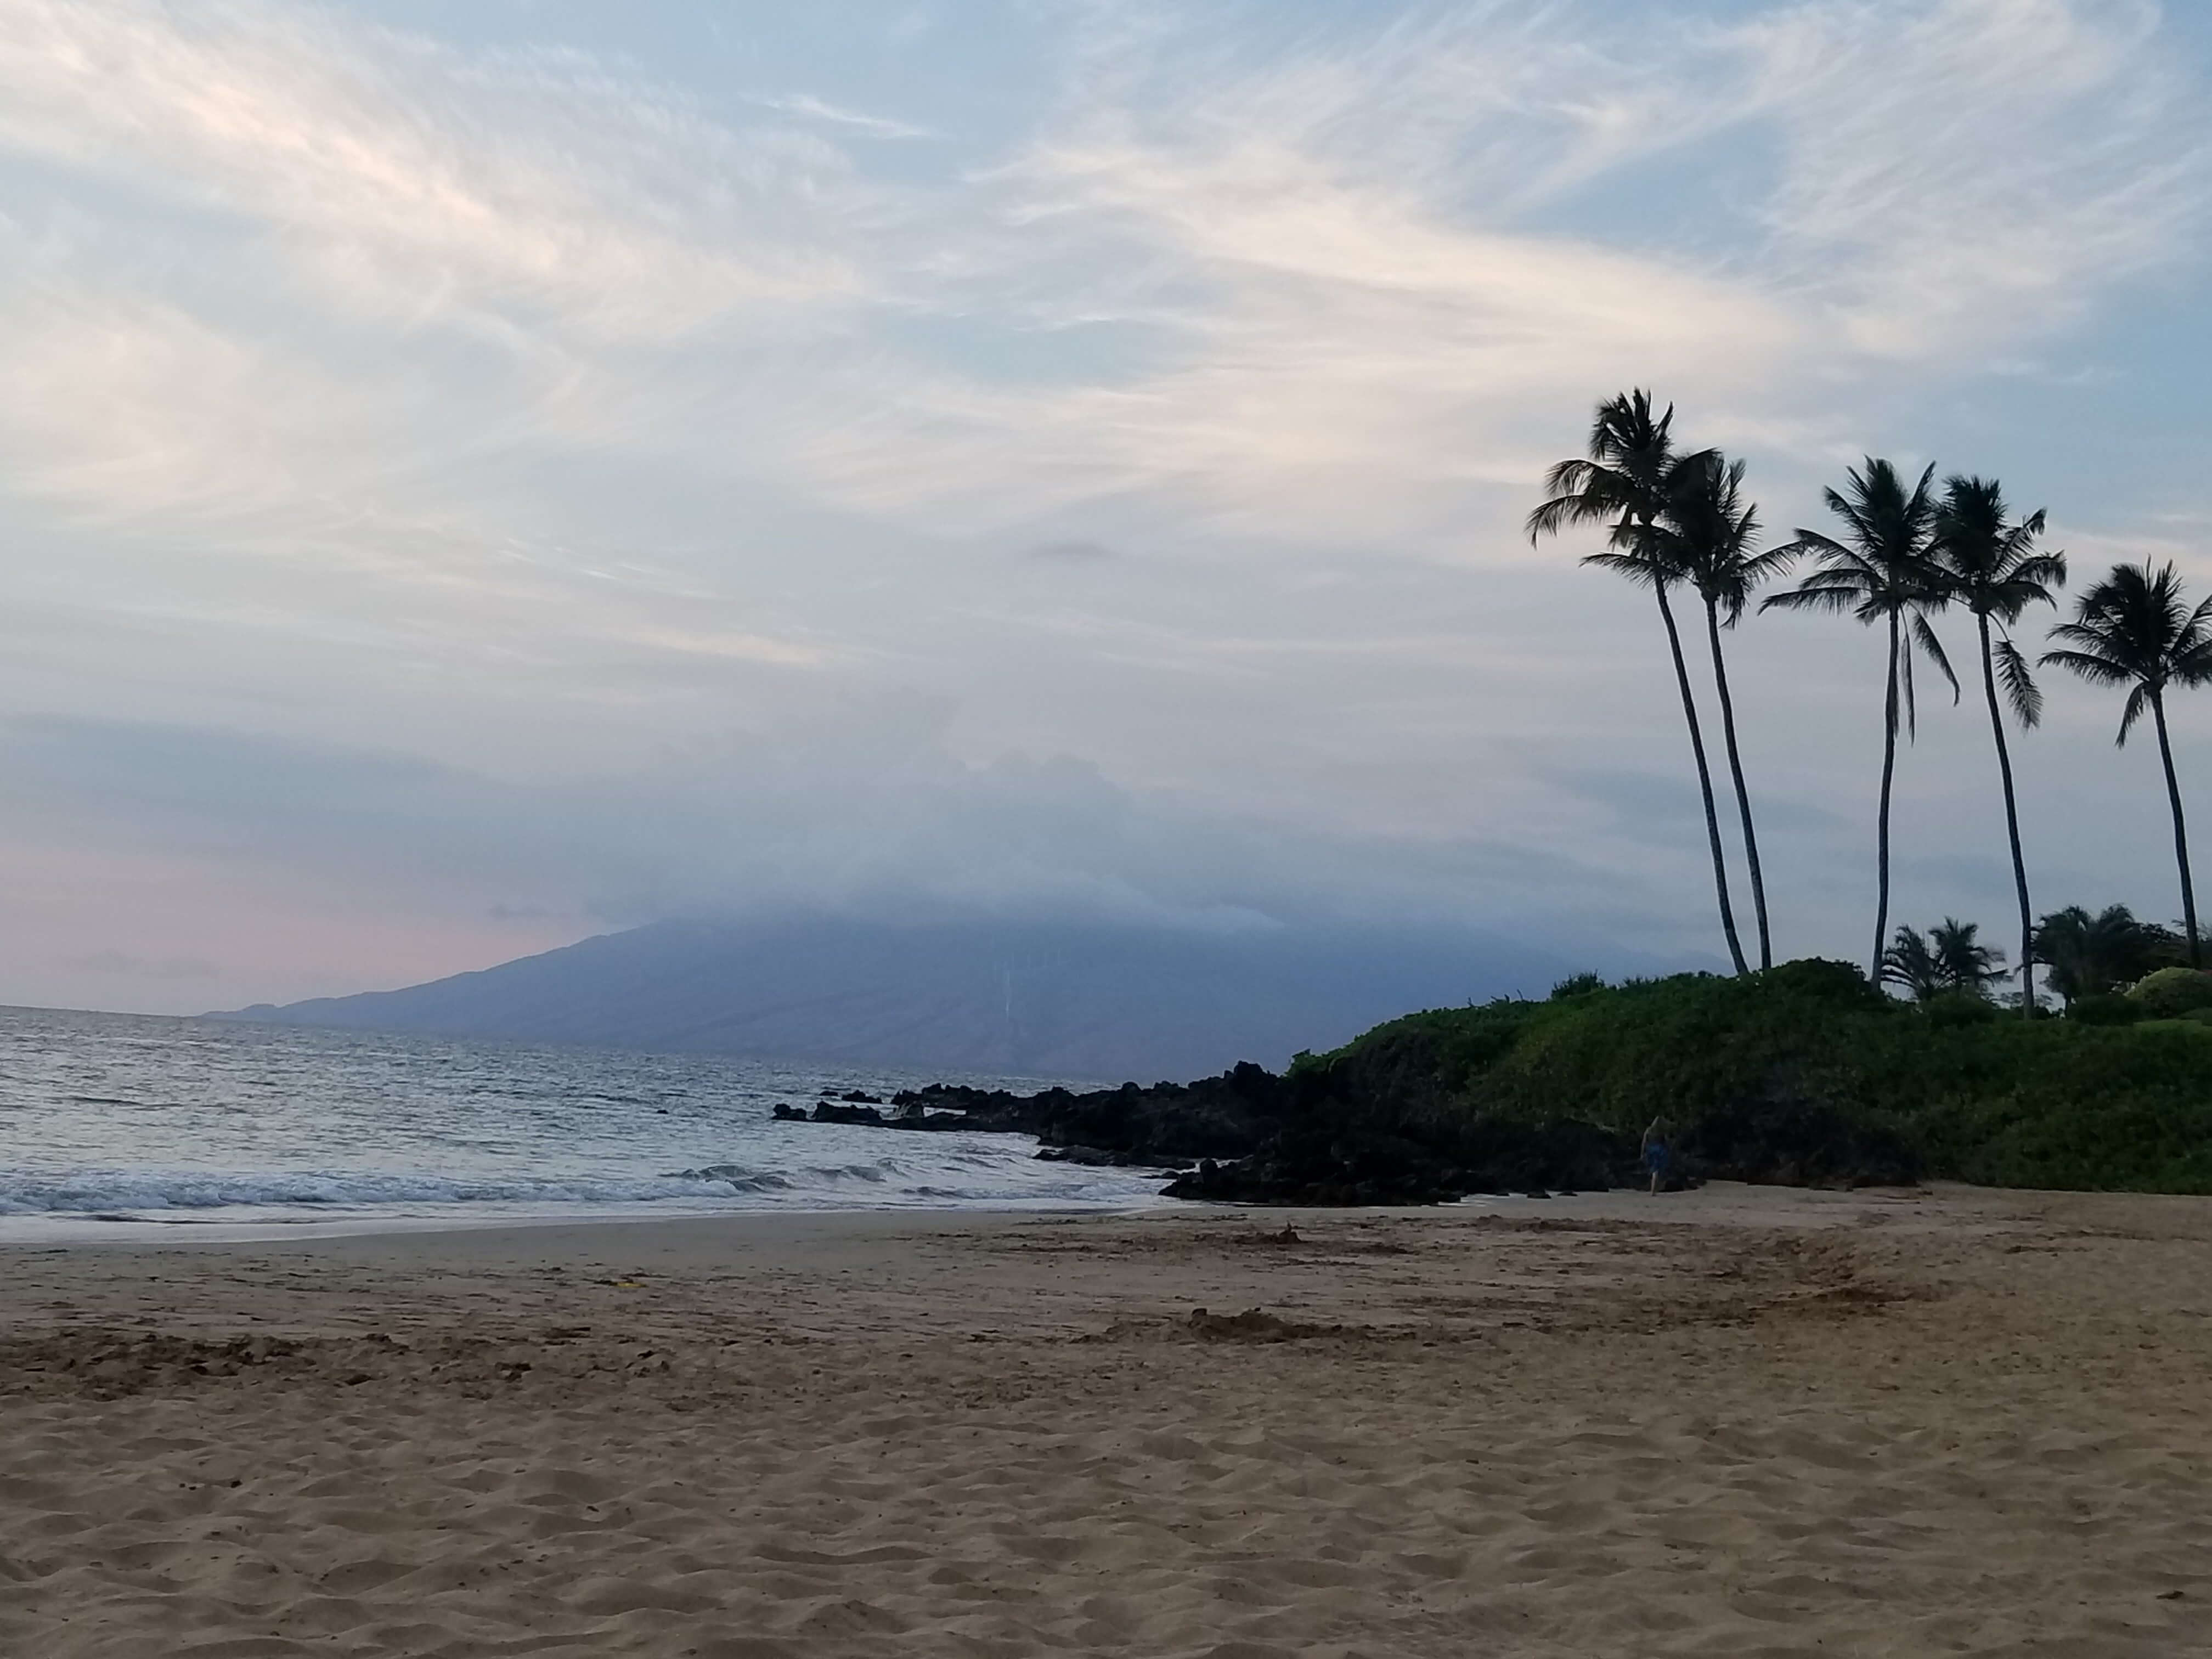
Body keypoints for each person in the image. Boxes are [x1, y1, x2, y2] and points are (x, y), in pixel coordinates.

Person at [1640, 1116, 1671, 1195]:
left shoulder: (1649, 1130)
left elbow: (1644, 1142)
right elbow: (1666, 1142)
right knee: (1658, 1171)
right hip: (1660, 1151)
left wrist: (1642, 1153)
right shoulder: (1662, 1132)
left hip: (1650, 1150)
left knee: (1654, 1171)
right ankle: (1654, 1190)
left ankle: (1653, 1190)